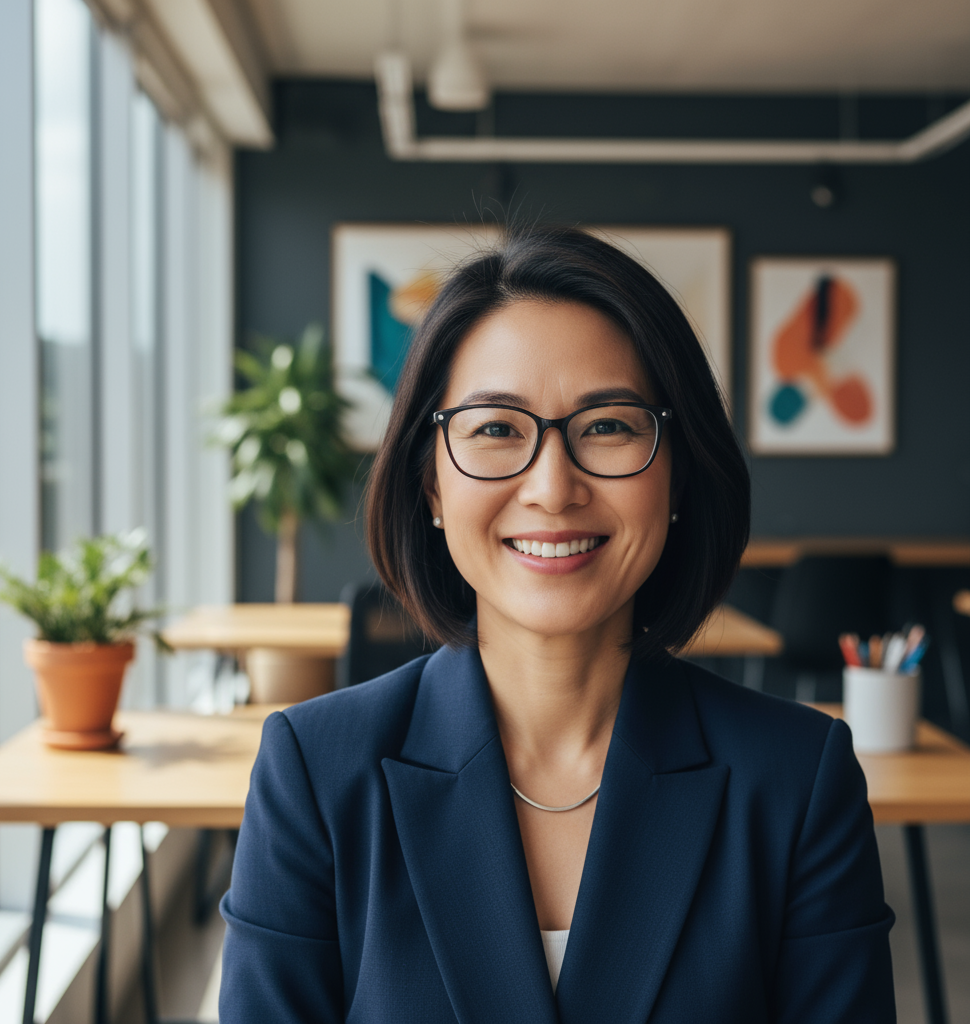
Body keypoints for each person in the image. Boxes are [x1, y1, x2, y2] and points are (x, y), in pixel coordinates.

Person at [220, 228, 895, 1023]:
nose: (552, 487)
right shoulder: (315, 775)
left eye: (608, 426)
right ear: (431, 486)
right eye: (496, 429)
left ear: (676, 473)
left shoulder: (797, 782)